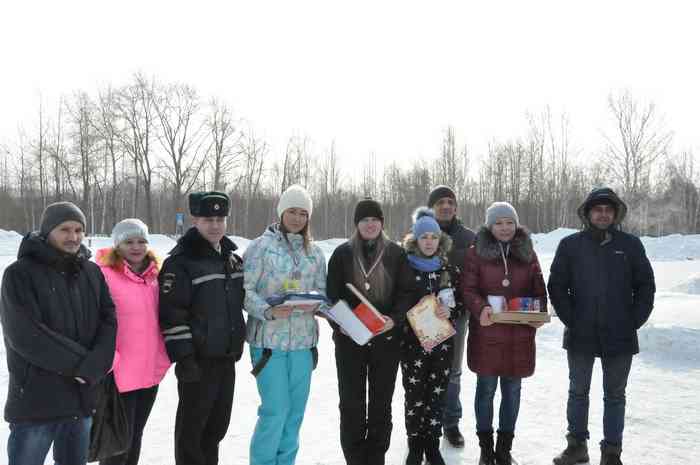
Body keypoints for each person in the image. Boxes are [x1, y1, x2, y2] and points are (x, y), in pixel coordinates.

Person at [0, 201, 116, 465]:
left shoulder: (91, 271)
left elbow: (108, 319)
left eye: (78, 230)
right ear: (47, 230)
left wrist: (97, 364)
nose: (73, 236)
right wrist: (84, 367)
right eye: (65, 229)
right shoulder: (20, 274)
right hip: (36, 401)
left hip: (81, 401)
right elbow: (26, 335)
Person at [549, 187, 655, 465]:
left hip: (619, 335)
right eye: (598, 209)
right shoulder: (570, 245)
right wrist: (571, 319)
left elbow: (645, 286)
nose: (603, 214)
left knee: (615, 395)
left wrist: (633, 321)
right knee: (578, 391)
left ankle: (611, 452)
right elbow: (557, 286)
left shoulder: (631, 245)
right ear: (588, 213)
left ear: (616, 213)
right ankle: (576, 447)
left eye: (608, 210)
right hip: (580, 332)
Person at [326, 198, 416, 465]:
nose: (370, 224)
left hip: (385, 342)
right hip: (350, 342)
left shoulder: (396, 254)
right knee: (351, 403)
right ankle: (354, 458)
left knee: (380, 404)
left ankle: (376, 457)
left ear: (382, 223)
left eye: (375, 219)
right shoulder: (342, 254)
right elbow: (332, 295)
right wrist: (340, 323)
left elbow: (407, 292)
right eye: (364, 220)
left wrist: (395, 319)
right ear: (357, 224)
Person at [159, 192, 246, 465]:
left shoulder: (231, 259)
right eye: (208, 219)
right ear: (195, 219)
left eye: (220, 219)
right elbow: (171, 314)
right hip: (197, 362)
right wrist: (184, 358)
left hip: (225, 358)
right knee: (192, 434)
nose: (215, 225)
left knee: (216, 430)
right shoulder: (181, 262)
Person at [243, 185, 328, 465]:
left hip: (304, 345)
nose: (297, 218)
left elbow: (321, 292)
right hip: (269, 344)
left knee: (295, 414)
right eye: (292, 211)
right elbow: (245, 292)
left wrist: (322, 307)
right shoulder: (260, 247)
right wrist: (268, 310)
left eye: (303, 213)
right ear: (281, 212)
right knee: (275, 412)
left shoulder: (314, 253)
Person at [462, 202, 546, 465]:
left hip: (519, 338)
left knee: (512, 391)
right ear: (490, 225)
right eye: (498, 222)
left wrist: (538, 314)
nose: (504, 227)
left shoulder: (528, 253)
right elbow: (468, 288)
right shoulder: (476, 253)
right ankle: (486, 449)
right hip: (487, 335)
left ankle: (504, 449)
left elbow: (539, 290)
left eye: (509, 222)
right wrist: (481, 308)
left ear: (516, 224)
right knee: (486, 391)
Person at [96, 218, 171, 465]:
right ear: (117, 244)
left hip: (149, 373)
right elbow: (94, 322)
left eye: (141, 241)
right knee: (116, 442)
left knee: (135, 436)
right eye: (129, 241)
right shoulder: (104, 275)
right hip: (118, 374)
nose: (136, 247)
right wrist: (109, 361)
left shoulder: (155, 276)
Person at [400, 207, 464, 465]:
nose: (429, 241)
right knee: (414, 396)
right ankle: (415, 445)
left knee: (437, 397)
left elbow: (461, 304)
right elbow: (396, 303)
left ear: (440, 240)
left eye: (433, 237)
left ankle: (432, 445)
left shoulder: (448, 269)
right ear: (416, 240)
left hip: (442, 345)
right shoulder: (404, 268)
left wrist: (449, 308)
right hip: (413, 346)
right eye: (424, 237)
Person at [428, 185, 476, 448]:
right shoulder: (419, 234)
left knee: (453, 371)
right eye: (439, 203)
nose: (445, 206)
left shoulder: (469, 237)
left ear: (456, 207)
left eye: (450, 202)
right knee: (427, 371)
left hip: (457, 314)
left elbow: (476, 275)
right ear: (432, 207)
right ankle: (427, 422)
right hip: (425, 316)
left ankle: (451, 423)